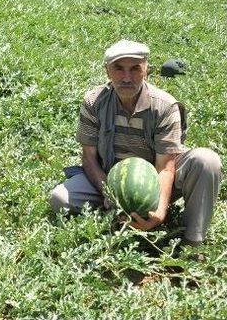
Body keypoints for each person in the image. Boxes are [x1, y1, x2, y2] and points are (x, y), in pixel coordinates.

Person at [50, 40, 222, 245]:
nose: (126, 77)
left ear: (146, 70)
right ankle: (115, 214)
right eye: (119, 69)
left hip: (159, 175)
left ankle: (193, 241)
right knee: (59, 199)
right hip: (109, 175)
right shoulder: (93, 102)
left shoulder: (165, 106)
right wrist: (110, 194)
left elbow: (166, 167)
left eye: (135, 69)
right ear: (107, 71)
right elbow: (88, 158)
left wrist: (160, 210)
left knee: (206, 161)